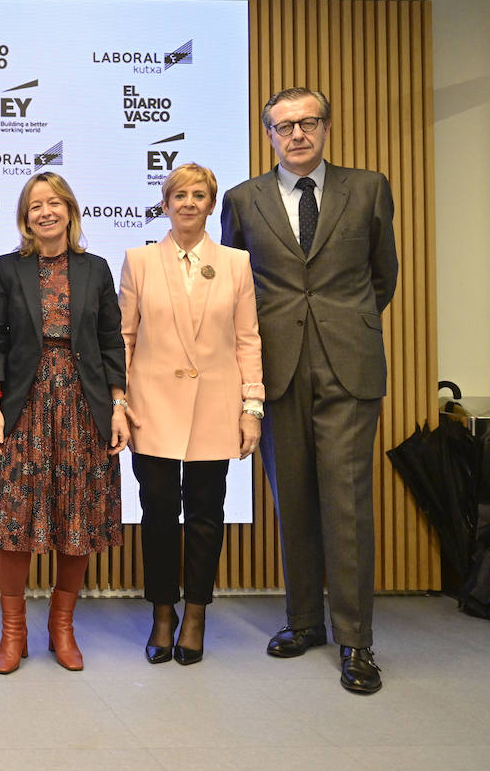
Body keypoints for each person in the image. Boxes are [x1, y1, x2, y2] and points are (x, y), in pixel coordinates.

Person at [221, 87, 398, 694]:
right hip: (277, 370)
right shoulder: (243, 200)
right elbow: (239, 290)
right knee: (291, 499)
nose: (297, 134)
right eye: (284, 126)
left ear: (326, 127)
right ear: (268, 134)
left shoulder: (368, 187)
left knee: (346, 505)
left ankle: (355, 640)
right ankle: (303, 623)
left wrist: (341, 324)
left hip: (349, 366)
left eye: (308, 122)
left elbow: (383, 276)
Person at [0, 171, 128, 674]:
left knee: (78, 516)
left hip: (84, 407)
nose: (45, 211)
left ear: (69, 209)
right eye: (34, 205)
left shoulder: (97, 268)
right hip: (24, 405)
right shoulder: (6, 269)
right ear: (25, 217)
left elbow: (112, 341)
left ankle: (61, 627)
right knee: (13, 518)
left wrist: (119, 405)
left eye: (53, 203)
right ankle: (13, 632)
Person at [118, 163, 263, 666]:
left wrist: (252, 408)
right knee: (158, 513)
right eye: (179, 194)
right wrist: (120, 402)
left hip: (216, 410)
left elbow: (248, 340)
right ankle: (163, 613)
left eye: (198, 195)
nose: (188, 202)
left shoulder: (237, 263)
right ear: (164, 203)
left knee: (206, 516)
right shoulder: (137, 261)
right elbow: (125, 339)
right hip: (150, 408)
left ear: (211, 205)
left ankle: (196, 614)